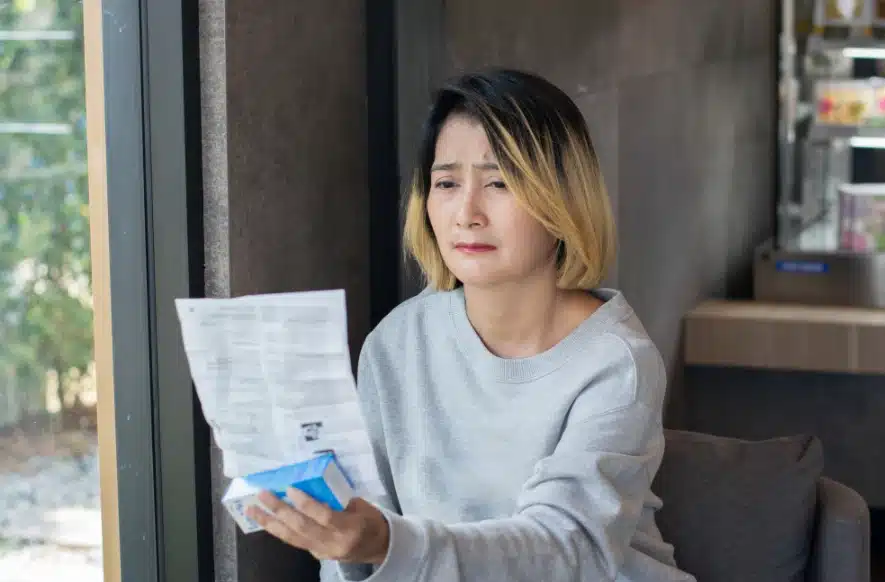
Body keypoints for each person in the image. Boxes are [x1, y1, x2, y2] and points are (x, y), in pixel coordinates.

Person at [247, 69, 695, 582]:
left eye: (500, 182)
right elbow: (356, 543)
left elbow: (569, 547)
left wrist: (391, 542)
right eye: (446, 183)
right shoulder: (396, 344)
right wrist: (341, 536)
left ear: (563, 199)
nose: (467, 212)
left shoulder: (617, 360)